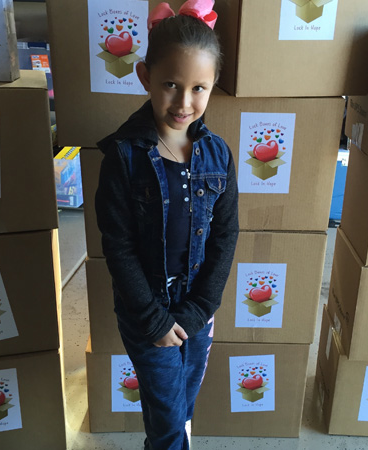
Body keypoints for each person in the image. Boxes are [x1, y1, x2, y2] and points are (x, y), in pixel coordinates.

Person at [94, 1, 239, 449]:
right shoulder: (123, 157)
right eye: (171, 84)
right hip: (147, 315)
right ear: (145, 77)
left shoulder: (218, 155)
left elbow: (225, 236)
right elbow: (118, 246)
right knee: (167, 422)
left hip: (198, 312)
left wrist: (200, 309)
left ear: (213, 85)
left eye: (199, 88)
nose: (184, 102)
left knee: (182, 407)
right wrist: (153, 320)